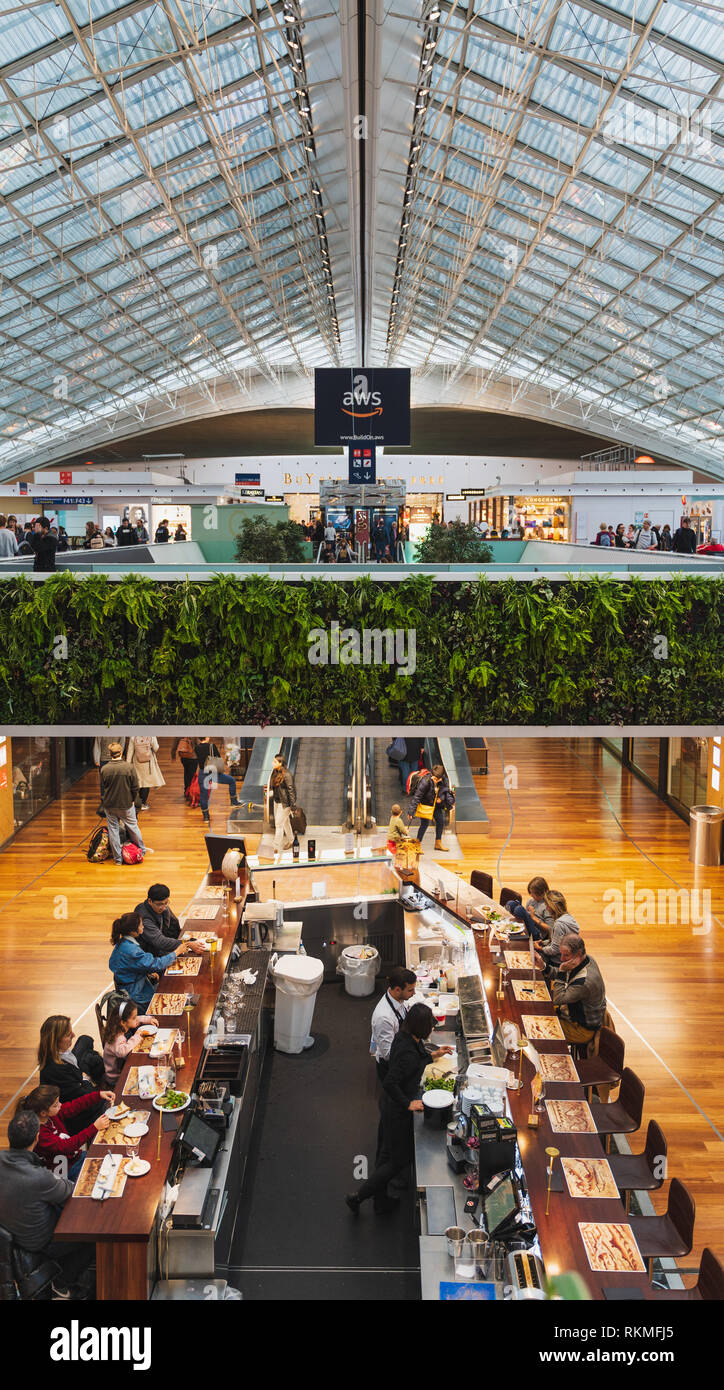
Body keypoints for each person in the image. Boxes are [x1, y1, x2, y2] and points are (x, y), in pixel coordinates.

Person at [346, 1004, 452, 1214]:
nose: (431, 1028)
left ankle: (380, 1200)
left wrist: (435, 1055)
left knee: (385, 1154)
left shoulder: (406, 1038)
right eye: (429, 1025)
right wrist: (408, 1103)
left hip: (389, 1105)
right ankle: (358, 1197)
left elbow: (414, 1062)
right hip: (396, 1109)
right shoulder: (408, 1053)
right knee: (397, 1161)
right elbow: (391, 1082)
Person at [0, 1110, 94, 1297]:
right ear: (37, 1138)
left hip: (11, 1233)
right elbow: (71, 1192)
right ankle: (63, 1281)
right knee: (92, 1233)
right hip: (39, 1241)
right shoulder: (39, 1178)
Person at [20, 1085, 113, 1178]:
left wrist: (98, 1095)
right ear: (43, 1113)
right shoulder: (41, 1134)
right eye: (56, 1104)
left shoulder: (51, 1115)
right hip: (65, 1169)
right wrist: (94, 1127)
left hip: (75, 1157)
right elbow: (66, 1146)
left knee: (110, 1160)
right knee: (108, 1171)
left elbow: (74, 1106)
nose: (60, 1105)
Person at [108, 912, 195, 1009]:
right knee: (175, 996)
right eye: (141, 924)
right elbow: (156, 964)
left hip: (134, 986)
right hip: (137, 995)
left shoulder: (123, 943)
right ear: (133, 931)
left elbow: (132, 966)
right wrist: (177, 952)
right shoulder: (132, 950)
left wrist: (147, 973)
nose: (143, 926)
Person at [37, 1017, 106, 1113]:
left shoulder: (56, 1053)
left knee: (85, 1039)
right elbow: (83, 1097)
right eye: (68, 1035)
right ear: (56, 1041)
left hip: (76, 1076)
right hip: (77, 1111)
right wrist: (86, 1080)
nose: (73, 1035)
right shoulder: (57, 1071)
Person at [550, 934, 606, 1048]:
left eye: (566, 955)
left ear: (578, 955)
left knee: (542, 1028)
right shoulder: (588, 959)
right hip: (574, 1015)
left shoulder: (584, 982)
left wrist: (561, 971)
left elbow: (558, 998)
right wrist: (544, 967)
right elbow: (566, 976)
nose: (561, 959)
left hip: (581, 1029)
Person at [99, 741, 148, 864]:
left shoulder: (104, 769)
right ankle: (141, 851)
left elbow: (104, 786)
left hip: (109, 805)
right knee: (133, 827)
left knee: (113, 830)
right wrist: (132, 799)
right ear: (121, 752)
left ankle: (118, 859)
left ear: (110, 753)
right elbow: (135, 786)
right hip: (126, 803)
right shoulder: (129, 767)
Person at [370, 966, 417, 1083]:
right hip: (391, 1067)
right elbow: (388, 1055)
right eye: (410, 990)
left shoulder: (399, 1000)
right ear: (397, 990)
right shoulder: (384, 1017)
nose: (414, 993)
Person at [101, 1001, 159, 1087]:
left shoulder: (119, 1027)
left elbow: (136, 1020)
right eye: (134, 1018)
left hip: (123, 1067)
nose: (136, 1019)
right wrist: (137, 1035)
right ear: (123, 1022)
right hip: (117, 1078)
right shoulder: (117, 1038)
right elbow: (122, 1052)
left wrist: (148, 1019)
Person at [134, 882, 193, 958]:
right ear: (149, 901)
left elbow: (174, 924)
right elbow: (159, 942)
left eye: (166, 903)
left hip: (163, 945)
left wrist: (183, 941)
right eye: (159, 904)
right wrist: (185, 944)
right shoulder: (144, 918)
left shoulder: (161, 907)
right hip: (151, 953)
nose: (164, 907)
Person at [408, 763, 454, 852]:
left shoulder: (444, 780)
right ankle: (417, 845)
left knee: (440, 822)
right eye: (434, 779)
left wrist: (442, 798)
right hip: (426, 805)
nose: (436, 781)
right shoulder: (425, 781)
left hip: (436, 805)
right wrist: (411, 811)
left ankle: (438, 843)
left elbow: (445, 791)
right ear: (432, 775)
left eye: (438, 779)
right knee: (424, 824)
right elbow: (417, 796)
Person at [196, 736, 240, 825]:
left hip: (202, 772)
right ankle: (234, 802)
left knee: (203, 795)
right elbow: (218, 758)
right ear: (207, 737)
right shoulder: (212, 746)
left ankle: (206, 817)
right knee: (231, 781)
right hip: (213, 771)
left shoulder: (196, 748)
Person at [534, 889, 581, 968]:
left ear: (552, 906)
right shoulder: (569, 917)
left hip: (557, 961)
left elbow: (555, 950)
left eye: (547, 905)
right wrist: (543, 942)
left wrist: (541, 948)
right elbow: (558, 942)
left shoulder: (559, 924)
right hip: (570, 959)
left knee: (532, 959)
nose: (546, 908)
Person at [508, 875, 555, 941]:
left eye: (533, 893)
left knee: (519, 909)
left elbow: (550, 928)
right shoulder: (531, 901)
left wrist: (533, 918)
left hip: (538, 934)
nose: (531, 895)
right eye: (531, 892)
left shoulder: (547, 906)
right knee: (511, 904)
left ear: (541, 893)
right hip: (529, 925)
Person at [126, 735, 165, 810]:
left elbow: (130, 751)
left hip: (137, 762)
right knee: (146, 783)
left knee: (138, 782)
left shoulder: (133, 736)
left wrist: (128, 764)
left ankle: (135, 802)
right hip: (148, 762)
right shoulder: (151, 735)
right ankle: (143, 803)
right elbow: (156, 748)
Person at [270, 753, 297, 853]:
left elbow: (291, 790)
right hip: (277, 801)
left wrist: (293, 806)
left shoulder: (287, 775)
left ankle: (275, 847)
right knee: (285, 822)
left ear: (280, 763)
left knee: (279, 824)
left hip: (285, 804)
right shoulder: (275, 772)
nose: (273, 763)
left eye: (275, 762)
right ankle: (291, 840)